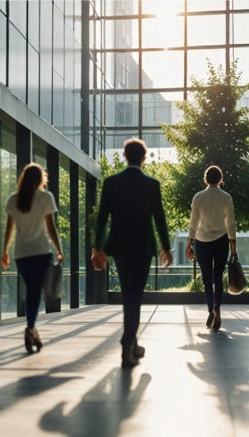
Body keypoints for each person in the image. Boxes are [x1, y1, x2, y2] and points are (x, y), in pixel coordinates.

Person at [92, 138, 172, 367]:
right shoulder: (151, 185)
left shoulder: (111, 183)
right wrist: (166, 247)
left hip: (118, 246)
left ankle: (131, 343)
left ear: (125, 156)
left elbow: (102, 218)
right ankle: (128, 342)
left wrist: (97, 247)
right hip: (143, 247)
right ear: (144, 158)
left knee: (128, 294)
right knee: (134, 296)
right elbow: (160, 219)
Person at [2, 163, 64, 353]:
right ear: (40, 179)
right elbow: (50, 226)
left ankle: (32, 329)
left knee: (32, 290)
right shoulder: (46, 197)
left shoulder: (14, 200)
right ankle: (30, 328)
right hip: (41, 251)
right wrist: (59, 249)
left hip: (21, 253)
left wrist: (4, 251)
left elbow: (9, 228)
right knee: (36, 291)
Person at [185, 165, 236, 331]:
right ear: (220, 179)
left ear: (206, 179)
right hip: (221, 241)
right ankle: (217, 308)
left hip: (202, 241)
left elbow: (193, 222)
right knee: (218, 277)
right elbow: (231, 223)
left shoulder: (198, 197)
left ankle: (210, 310)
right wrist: (233, 247)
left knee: (207, 279)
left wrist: (189, 244)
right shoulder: (226, 197)